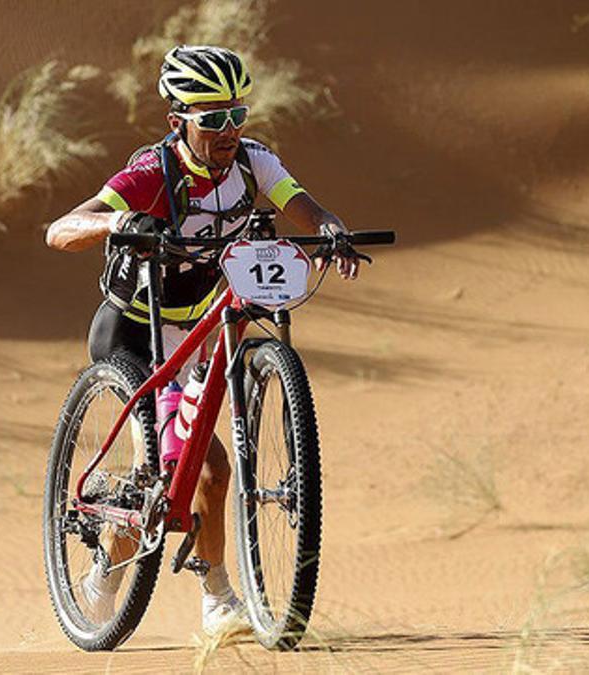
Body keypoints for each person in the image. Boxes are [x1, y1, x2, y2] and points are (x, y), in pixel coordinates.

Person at [45, 45, 359, 635]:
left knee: (212, 470)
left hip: (203, 323)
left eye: (237, 115)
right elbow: (60, 231)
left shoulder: (254, 163)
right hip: (138, 331)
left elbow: (302, 205)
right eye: (211, 119)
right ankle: (111, 577)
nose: (228, 131)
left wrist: (331, 230)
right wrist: (119, 221)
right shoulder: (151, 173)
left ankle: (217, 599)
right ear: (178, 123)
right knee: (161, 467)